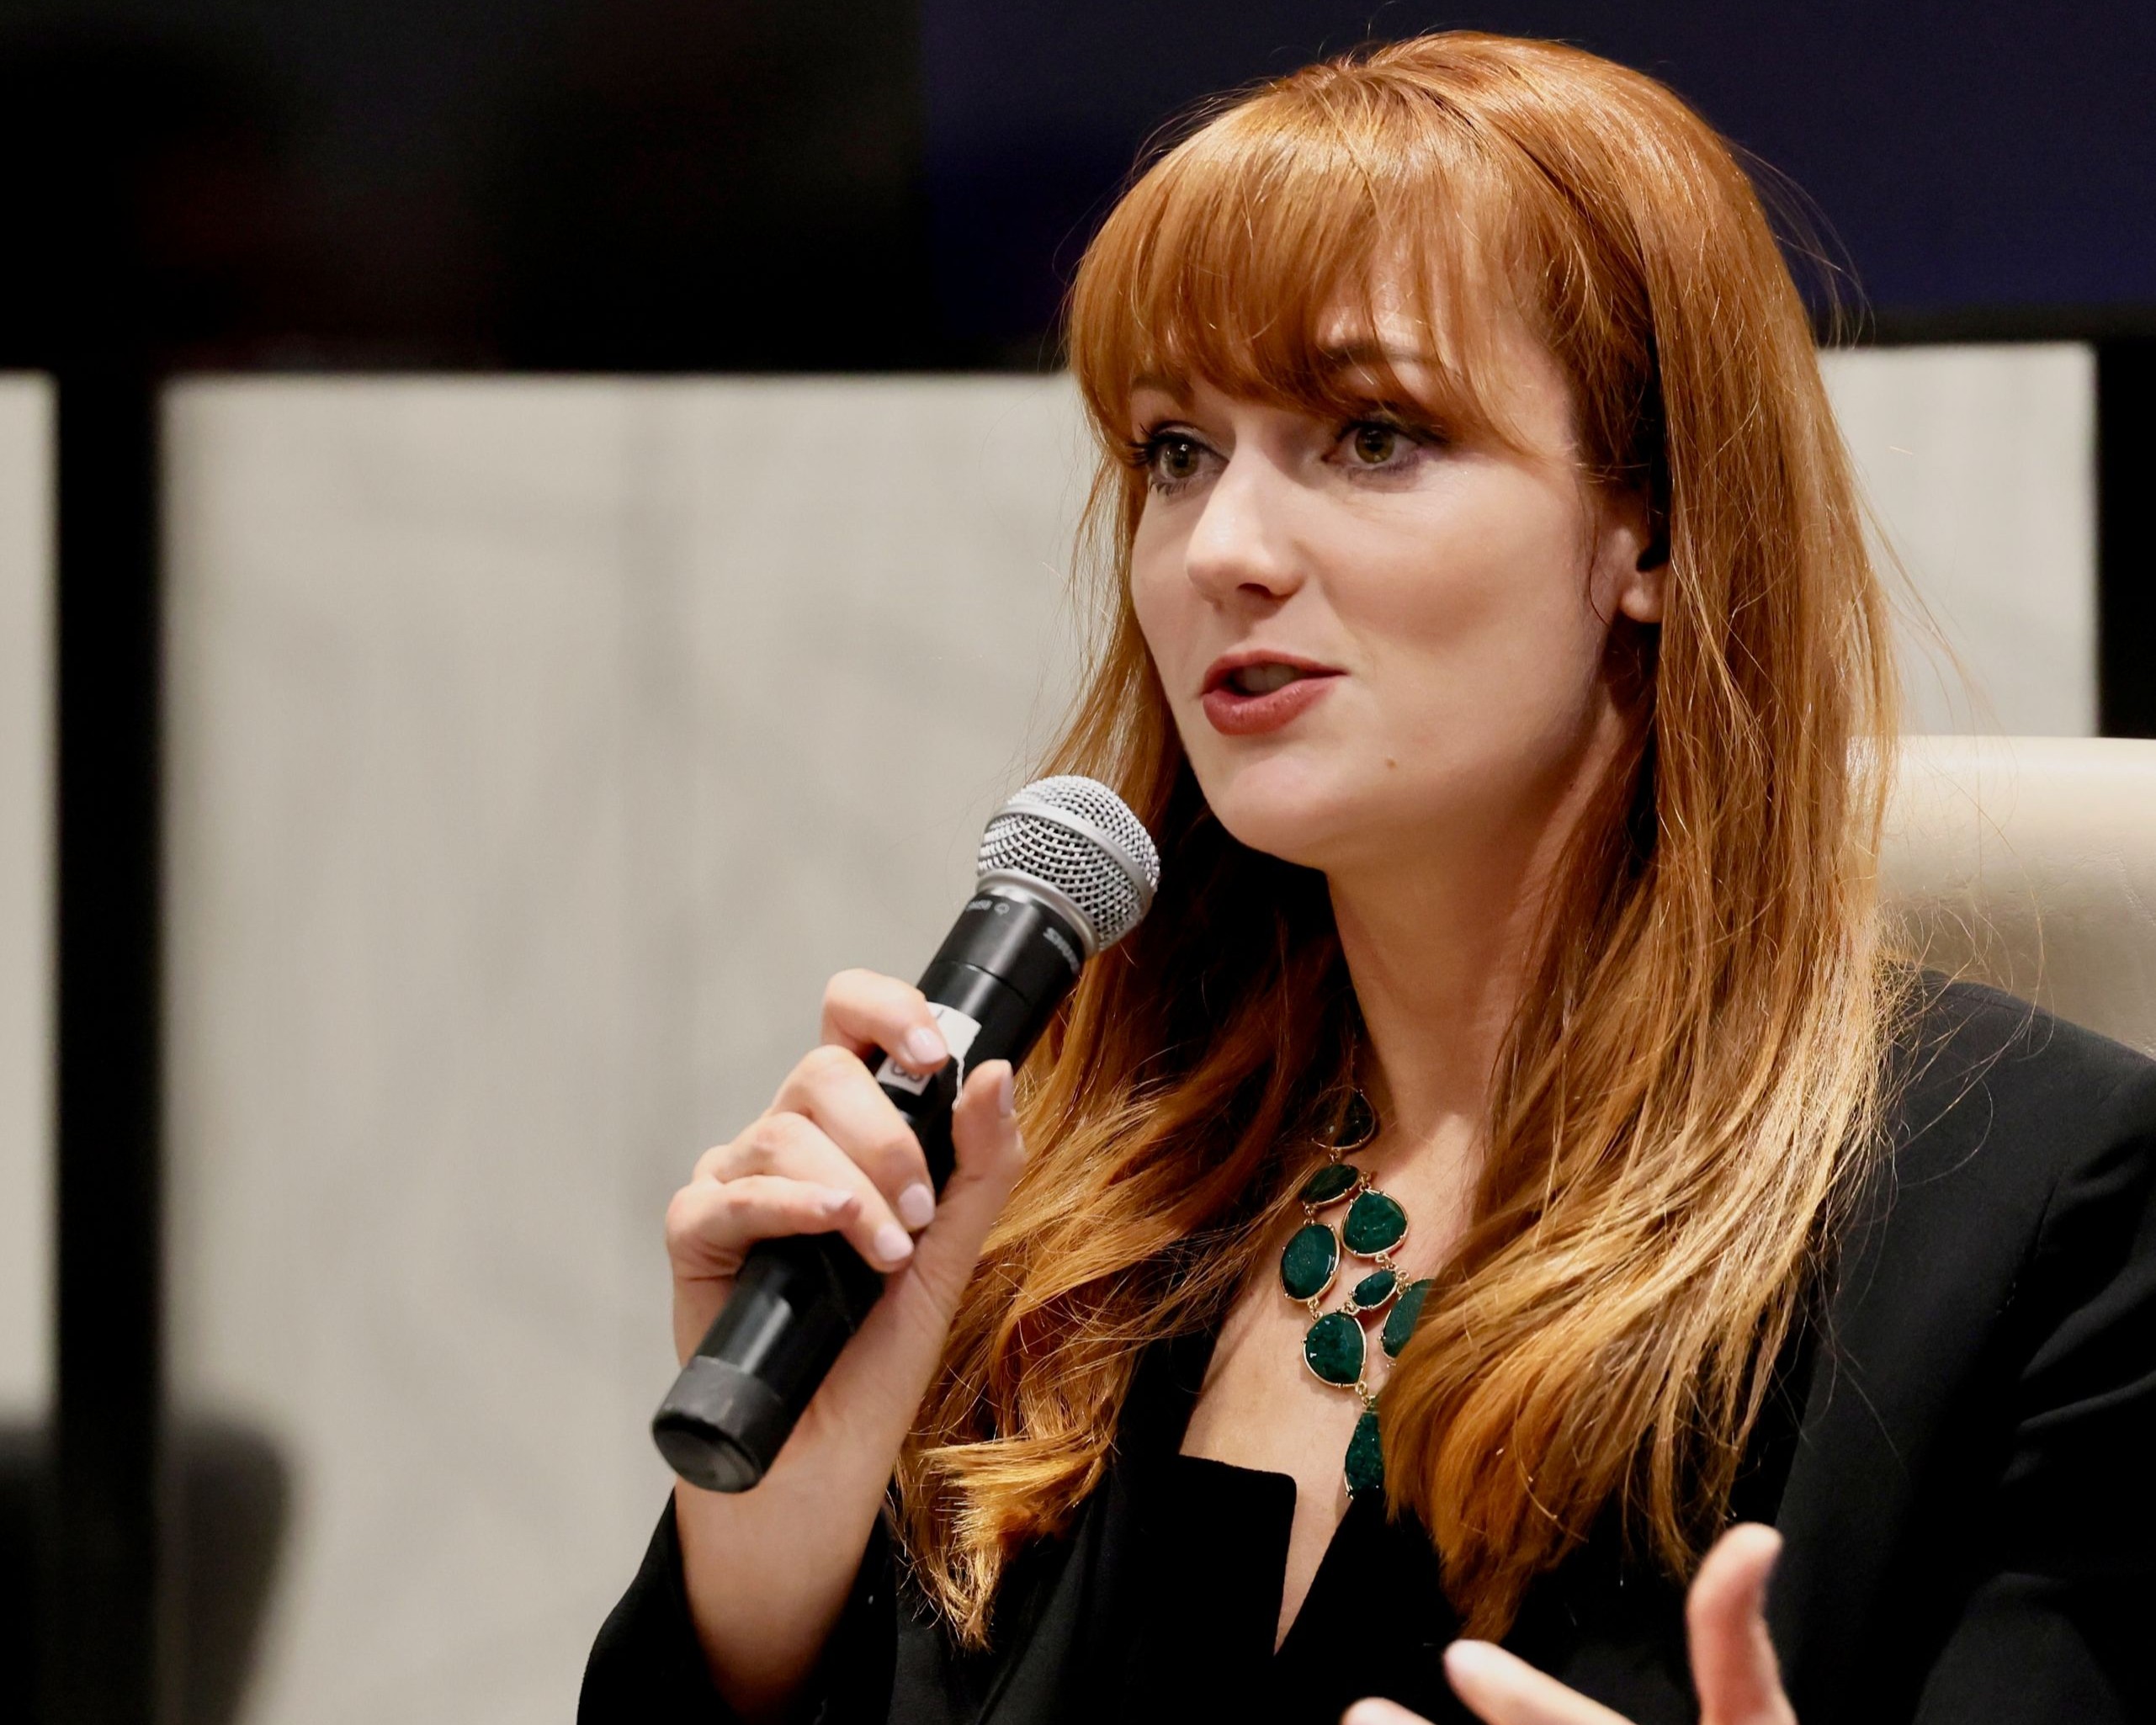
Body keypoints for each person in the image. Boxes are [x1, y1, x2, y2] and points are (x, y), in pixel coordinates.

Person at [581, 30, 2156, 1725]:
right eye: (1176, 450)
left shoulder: (2053, 1224)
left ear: (1655, 527)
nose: (1223, 551)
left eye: (1373, 434)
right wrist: (770, 1570)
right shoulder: (1074, 1220)